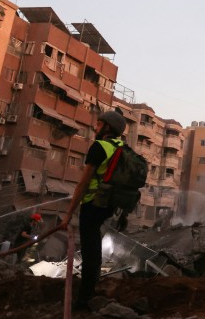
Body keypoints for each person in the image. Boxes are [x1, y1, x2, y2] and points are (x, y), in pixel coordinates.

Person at [61, 110, 127, 312]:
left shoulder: (99, 147)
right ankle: (90, 290)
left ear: (107, 127)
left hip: (92, 204)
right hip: (110, 206)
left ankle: (84, 300)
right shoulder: (122, 148)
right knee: (94, 247)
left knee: (90, 252)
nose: (95, 127)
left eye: (98, 124)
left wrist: (69, 213)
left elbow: (83, 182)